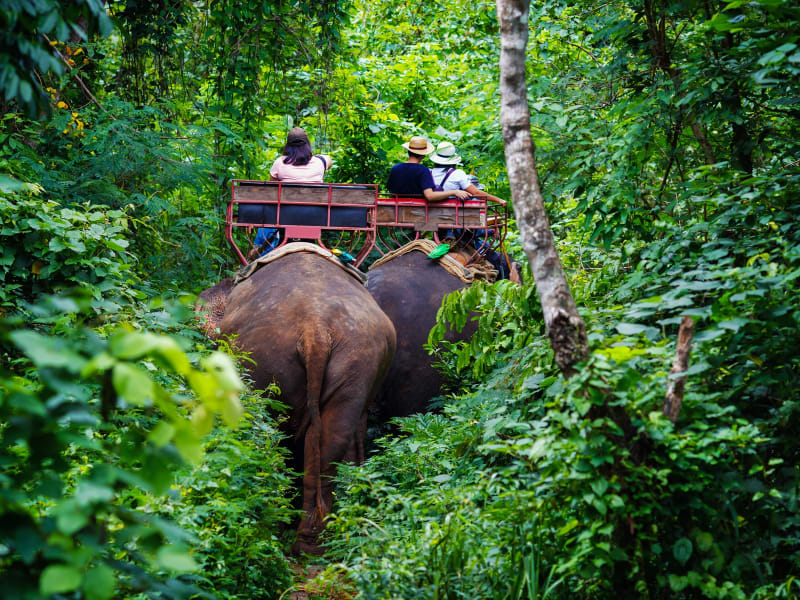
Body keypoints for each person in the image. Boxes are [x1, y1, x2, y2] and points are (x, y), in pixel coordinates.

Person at [429, 141, 521, 282]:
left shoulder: (428, 173)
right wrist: (499, 201)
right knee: (499, 262)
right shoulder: (458, 175)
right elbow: (476, 192)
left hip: (432, 223)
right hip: (458, 229)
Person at [250, 127, 333, 259]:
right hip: (315, 216)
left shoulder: (279, 163)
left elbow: (272, 189)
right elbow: (329, 160)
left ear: (288, 146)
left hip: (285, 216)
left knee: (269, 208)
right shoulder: (320, 162)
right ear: (307, 145)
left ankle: (257, 252)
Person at [386, 136, 469, 201]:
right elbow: (430, 196)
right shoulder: (423, 170)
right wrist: (454, 192)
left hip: (396, 208)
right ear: (423, 155)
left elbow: (391, 189)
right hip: (417, 210)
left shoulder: (395, 168)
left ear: (408, 151)